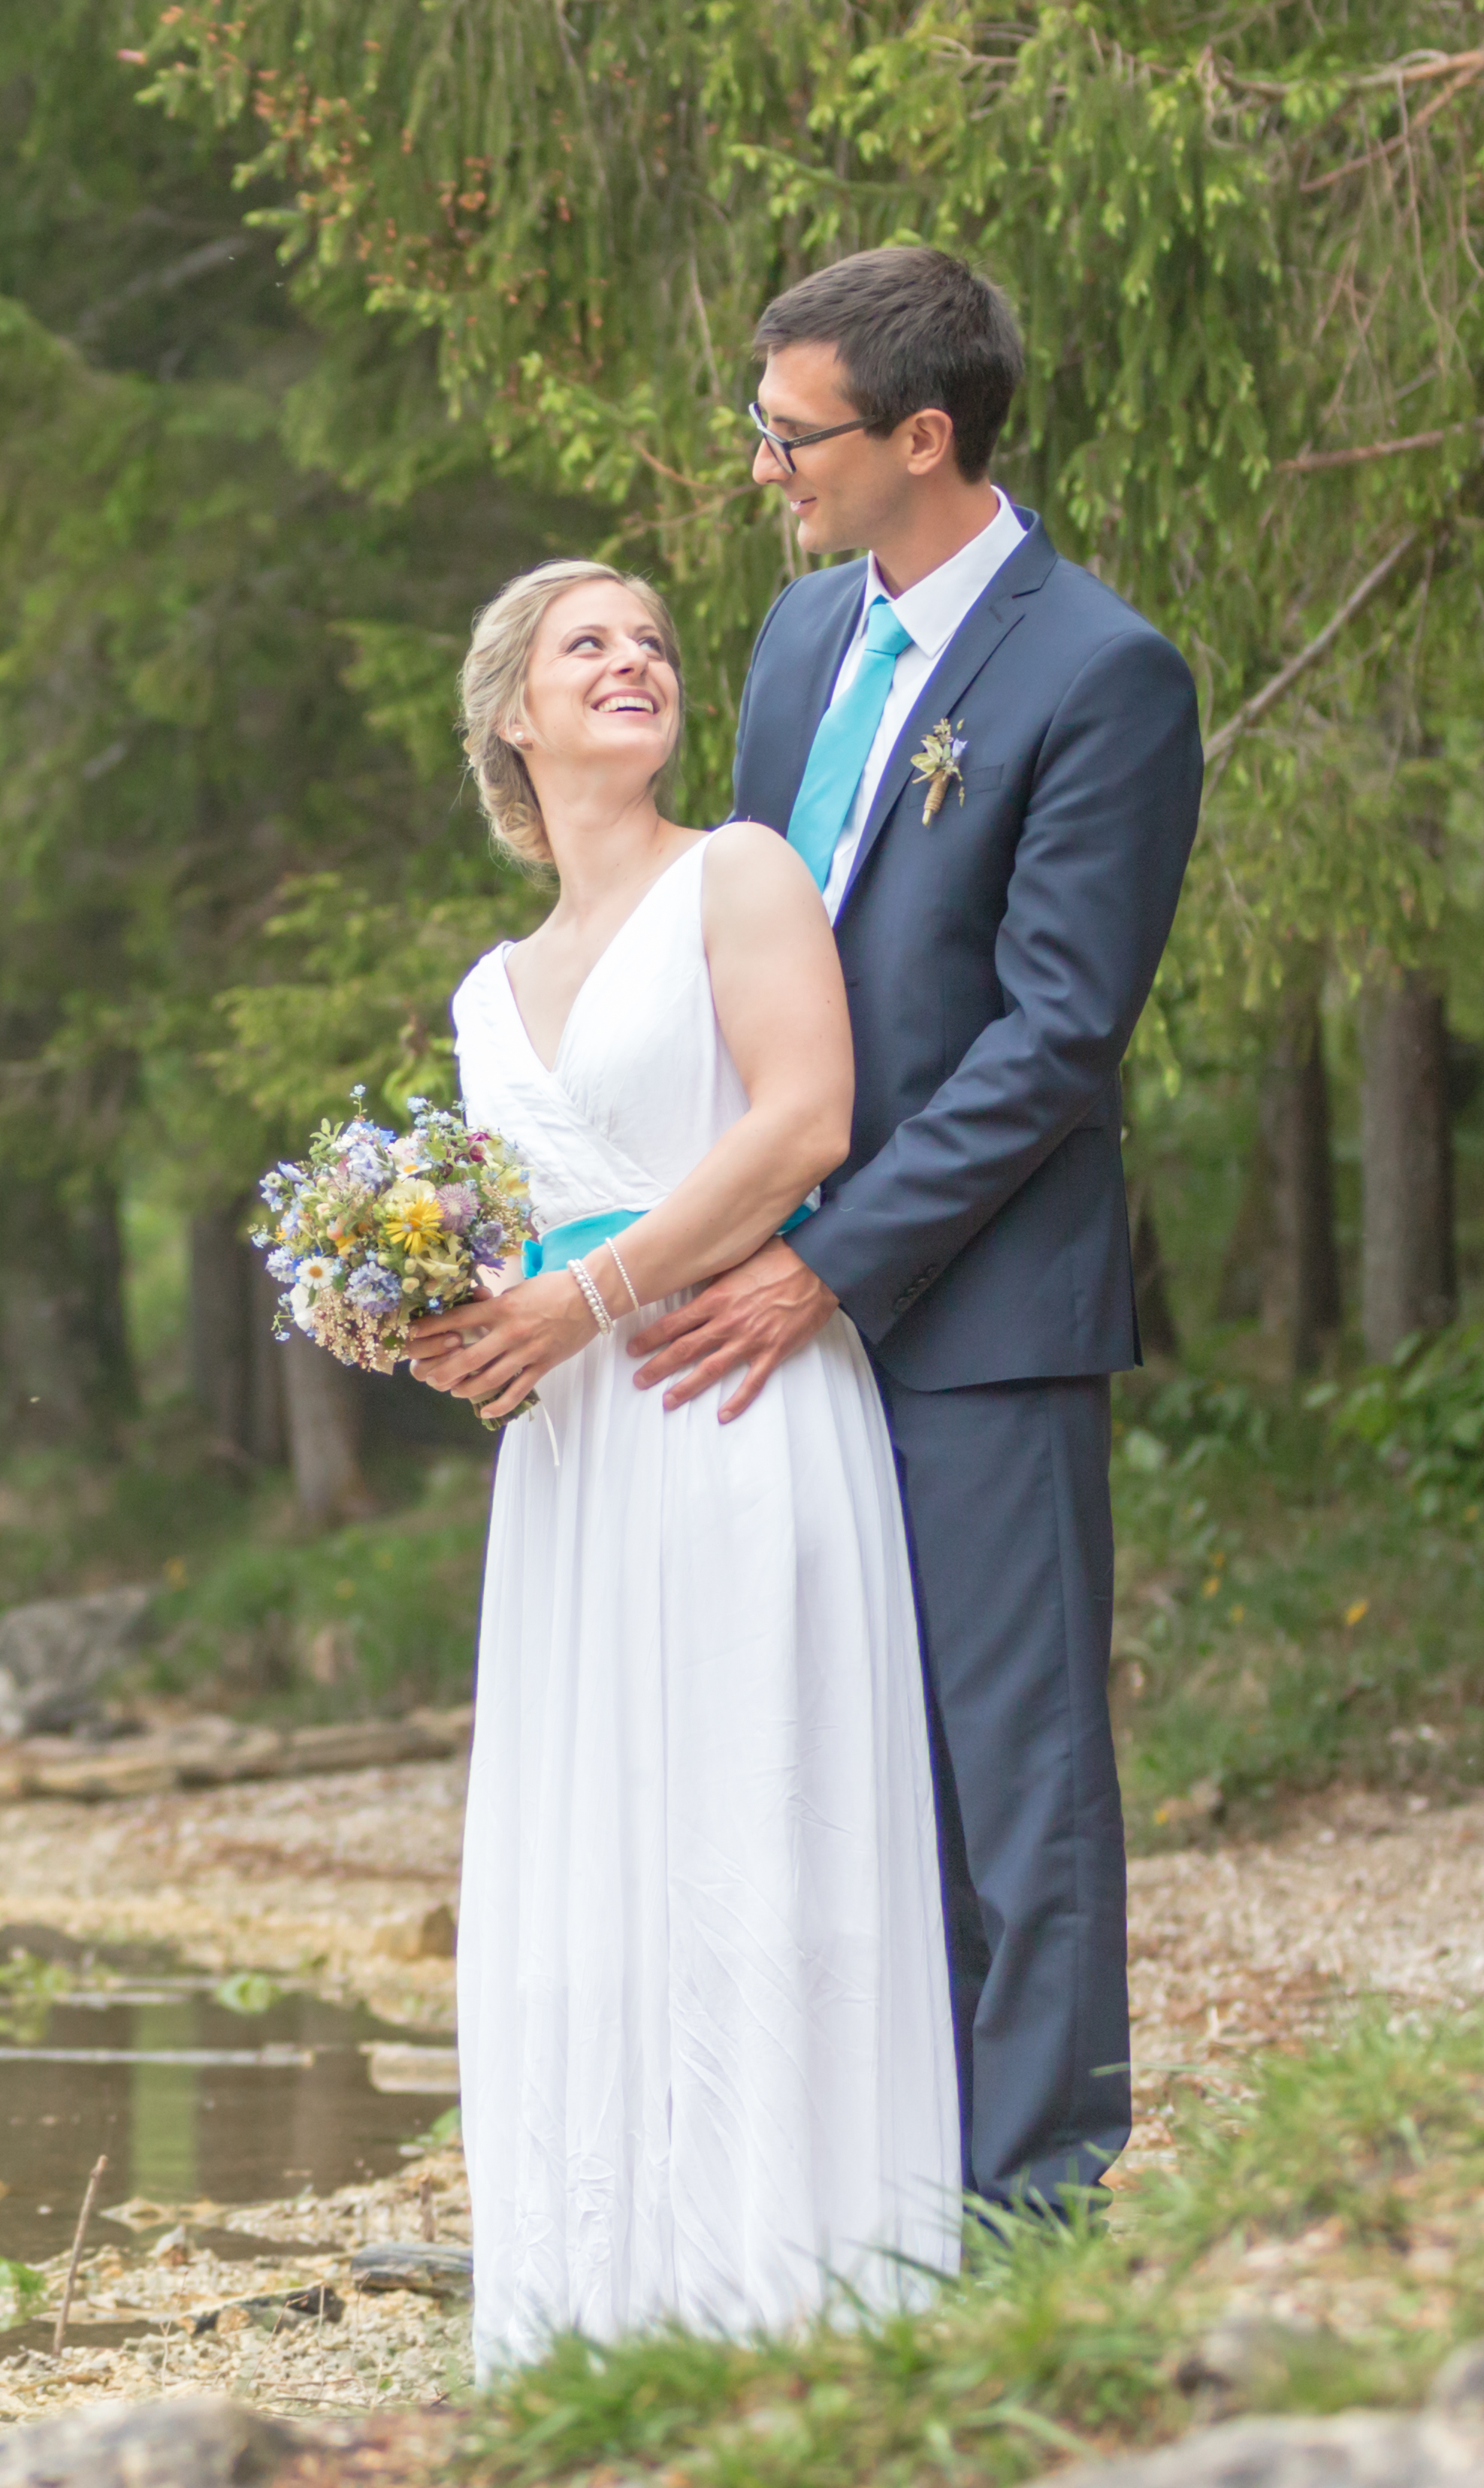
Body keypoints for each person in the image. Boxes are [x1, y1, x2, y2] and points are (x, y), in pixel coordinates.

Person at [630, 247, 1202, 2218]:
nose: (766, 467)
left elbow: (1059, 1038)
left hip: (979, 1315)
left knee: (1008, 1779)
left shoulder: (1101, 673)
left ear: (924, 439)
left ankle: (1034, 2201)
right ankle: (851, 2180)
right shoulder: (800, 644)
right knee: (821, 1753)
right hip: (777, 1299)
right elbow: (746, 946)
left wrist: (836, 1260)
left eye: (794, 436)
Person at [405, 560, 958, 2364]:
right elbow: (521, 1222)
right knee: (590, 1859)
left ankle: (789, 2297)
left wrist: (605, 1296)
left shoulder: (743, 872)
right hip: (570, 1463)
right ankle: (599, 2313)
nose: (634, 661)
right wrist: (446, 1313)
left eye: (651, 642)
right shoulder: (490, 992)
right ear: (514, 715)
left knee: (749, 1823)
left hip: (729, 1401)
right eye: (590, 644)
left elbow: (808, 1122)